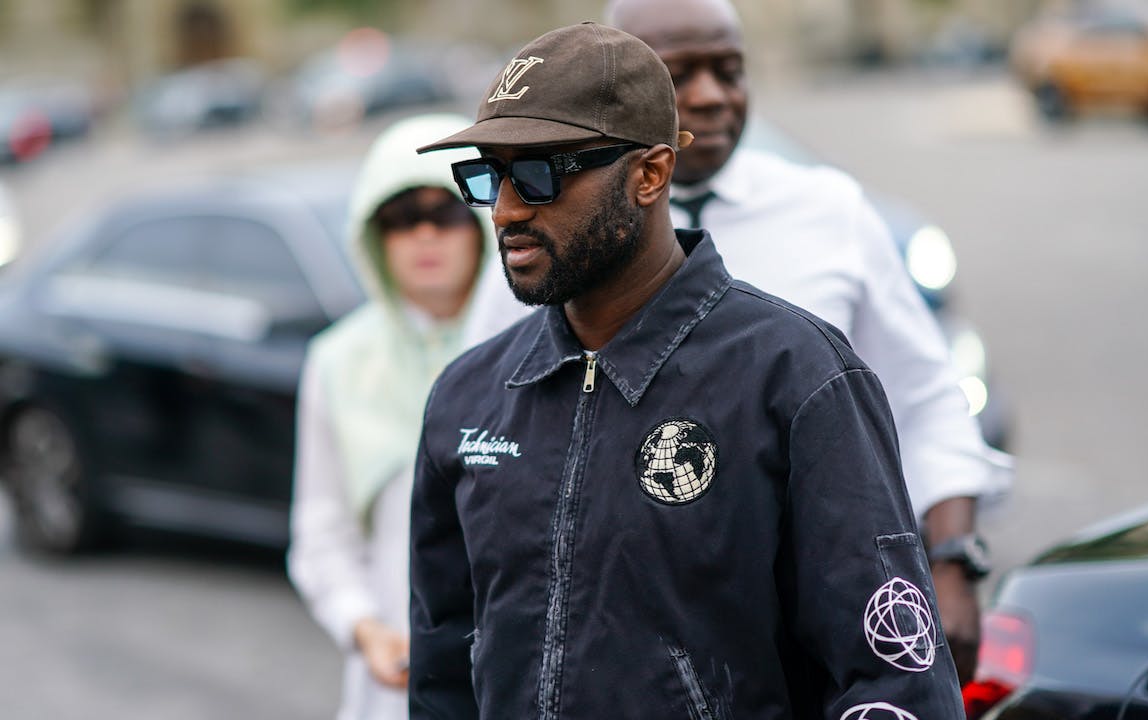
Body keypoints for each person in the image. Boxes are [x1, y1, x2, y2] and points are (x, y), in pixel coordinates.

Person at [410, 22, 965, 719]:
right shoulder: (468, 397)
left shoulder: (796, 376)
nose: (507, 211)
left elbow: (892, 678)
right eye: (488, 175)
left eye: (539, 174)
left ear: (649, 174)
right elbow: (441, 668)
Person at [287, 113, 492, 720]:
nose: (425, 235)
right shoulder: (338, 360)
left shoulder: (542, 344)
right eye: (401, 218)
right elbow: (321, 532)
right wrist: (363, 625)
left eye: (447, 211)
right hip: (398, 677)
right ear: (373, 236)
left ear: (483, 219)